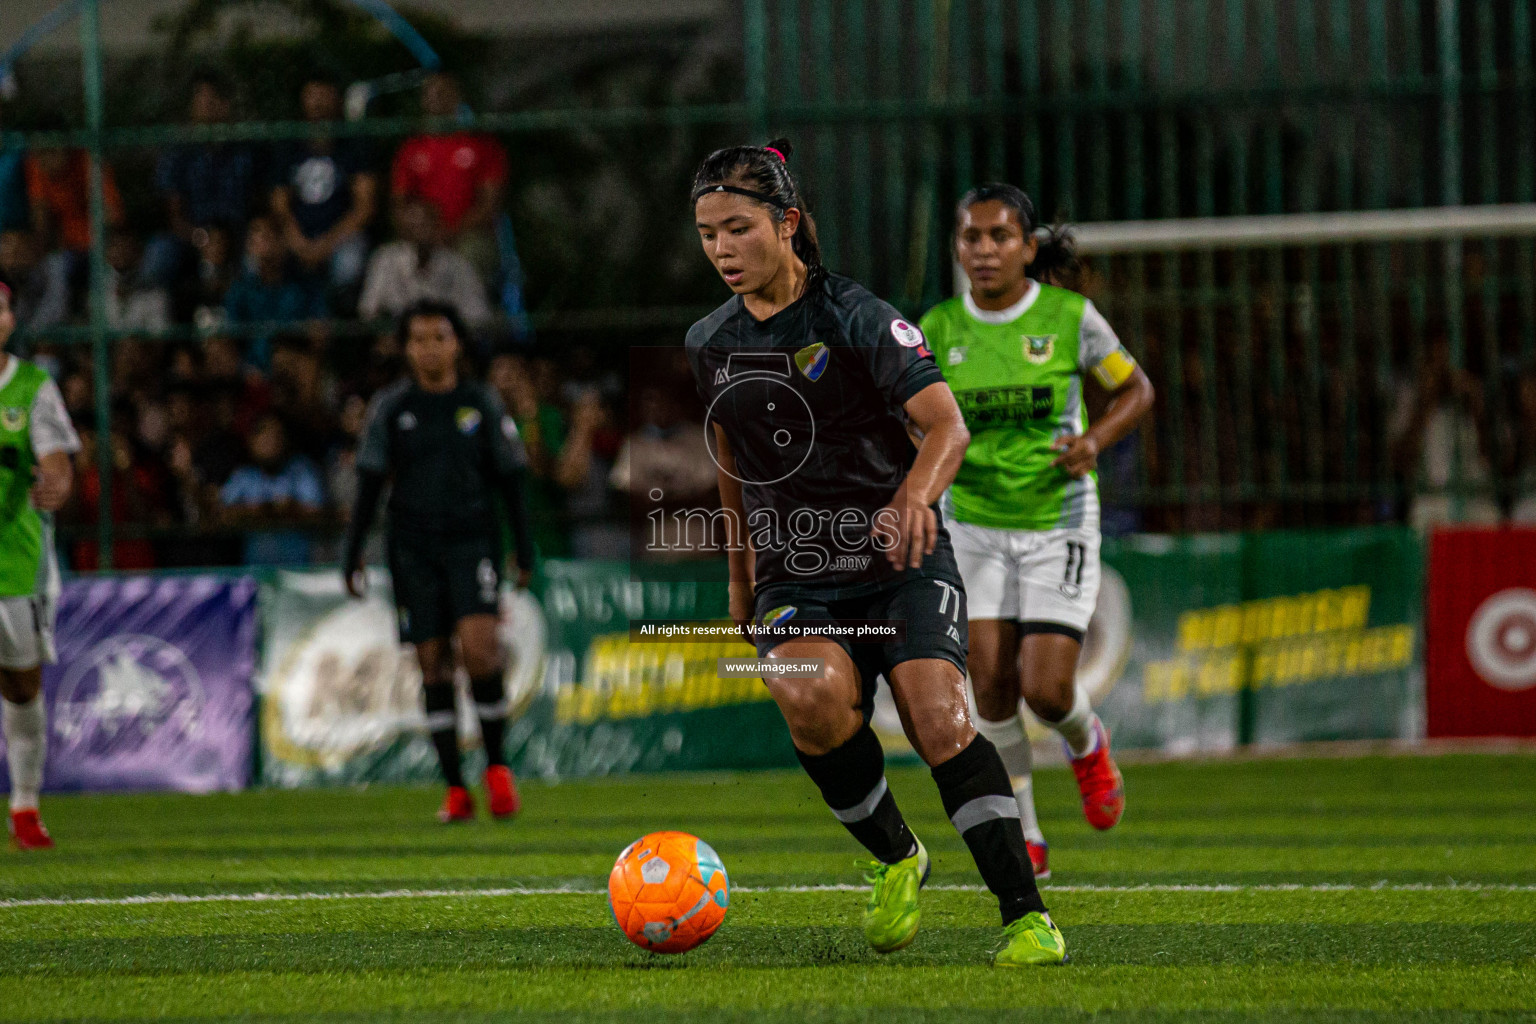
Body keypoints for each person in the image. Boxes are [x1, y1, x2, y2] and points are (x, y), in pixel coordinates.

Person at [685, 141, 1064, 966]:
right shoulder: (708, 342)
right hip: (797, 571)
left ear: (786, 225)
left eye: (739, 229)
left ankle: (1026, 917)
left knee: (940, 720)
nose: (721, 249)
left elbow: (946, 424)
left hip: (902, 564)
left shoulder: (857, 317)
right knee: (810, 695)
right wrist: (739, 579)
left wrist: (911, 498)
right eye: (708, 232)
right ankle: (898, 856)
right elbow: (733, 464)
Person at [920, 183, 1155, 880]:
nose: (984, 250)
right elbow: (912, 412)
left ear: (1027, 246)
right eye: (971, 238)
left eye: (999, 237)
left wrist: (1095, 441)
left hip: (1057, 520)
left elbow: (1136, 389)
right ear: (958, 248)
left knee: (1046, 689)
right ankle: (1025, 831)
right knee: (989, 685)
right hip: (974, 522)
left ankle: (1086, 742)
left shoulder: (1069, 317)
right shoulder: (937, 329)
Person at [343, 299, 536, 823]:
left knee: (481, 650)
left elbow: (511, 479)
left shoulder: (481, 402)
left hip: (472, 542)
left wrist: (524, 545)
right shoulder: (392, 408)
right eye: (419, 338)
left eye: (440, 337)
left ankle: (497, 770)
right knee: (432, 663)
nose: (430, 347)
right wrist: (353, 550)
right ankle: (455, 788)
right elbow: (368, 481)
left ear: (457, 344)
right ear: (406, 348)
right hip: (412, 549)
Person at [0, 271, 81, 850]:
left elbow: (57, 461)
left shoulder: (32, 386)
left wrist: (55, 480)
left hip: (15, 563)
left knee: (22, 686)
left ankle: (25, 804)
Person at [389, 72, 507, 279]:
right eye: (431, 93)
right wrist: (421, 234)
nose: (436, 99)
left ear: (456, 97)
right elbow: (400, 202)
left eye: (442, 92)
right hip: (420, 236)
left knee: (472, 255)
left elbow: (489, 204)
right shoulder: (411, 148)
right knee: (391, 260)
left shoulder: (481, 144)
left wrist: (451, 232)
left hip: (468, 235)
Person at [270, 73, 377, 294]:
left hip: (340, 235)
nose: (318, 102)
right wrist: (299, 242)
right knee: (262, 254)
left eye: (324, 94)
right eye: (312, 95)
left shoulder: (353, 145)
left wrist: (325, 246)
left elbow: (364, 207)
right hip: (298, 233)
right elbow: (279, 203)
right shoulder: (290, 144)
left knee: (348, 265)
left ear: (336, 98)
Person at [357, 197, 490, 327]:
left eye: (424, 225)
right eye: (413, 226)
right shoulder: (385, 260)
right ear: (402, 229)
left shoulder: (458, 265)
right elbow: (368, 310)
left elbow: (477, 317)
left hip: (444, 341)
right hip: (396, 342)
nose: (419, 232)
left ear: (437, 227)